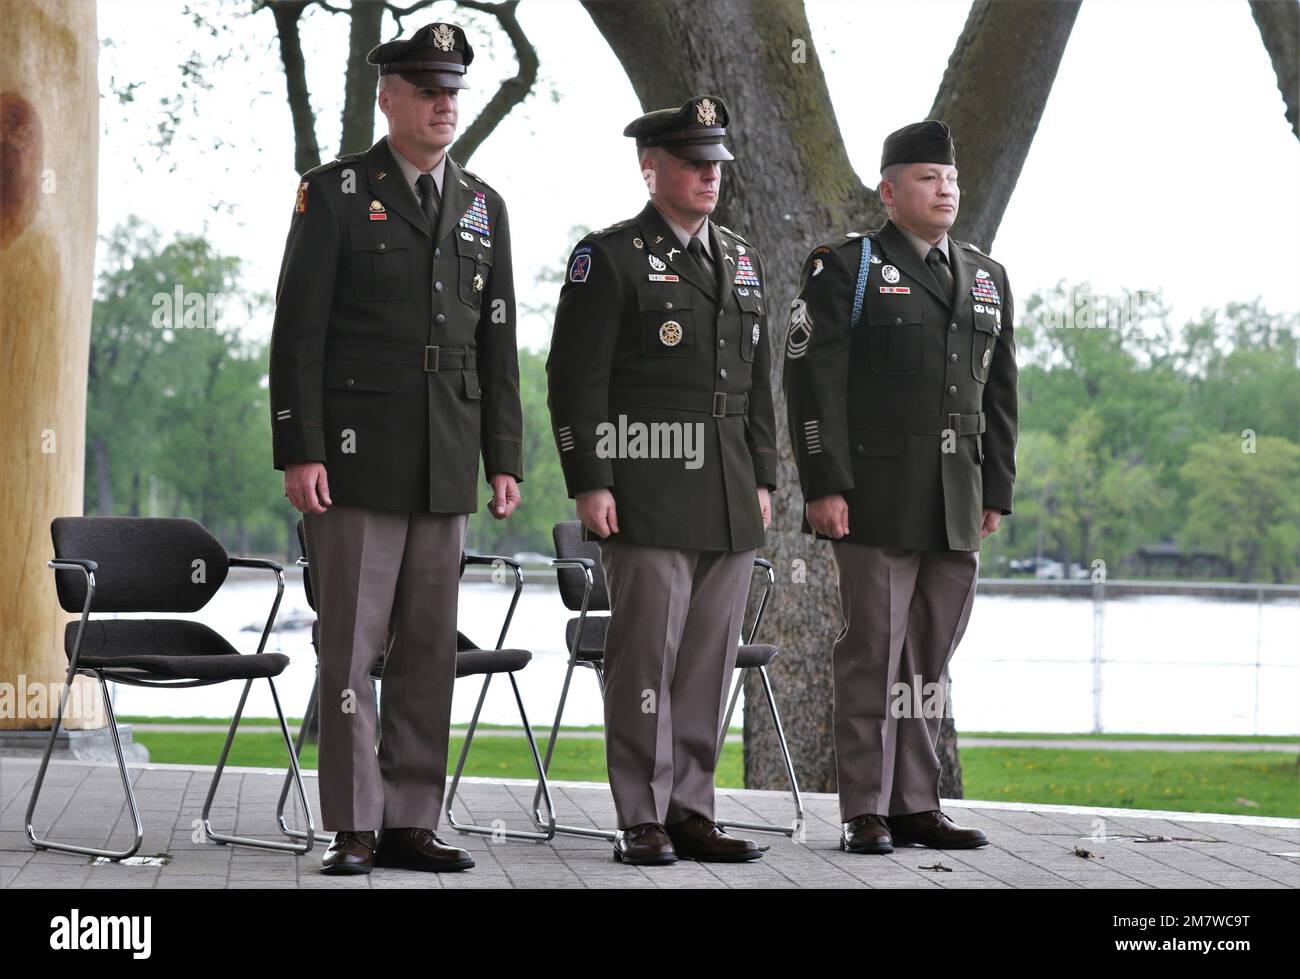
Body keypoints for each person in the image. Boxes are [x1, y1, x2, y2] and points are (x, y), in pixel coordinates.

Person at [268, 22, 523, 875]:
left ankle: (414, 819)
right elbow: (298, 333)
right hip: (354, 458)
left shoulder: (486, 205)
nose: (444, 103)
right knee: (349, 650)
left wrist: (504, 457)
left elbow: (497, 343)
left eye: (452, 90)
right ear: (389, 98)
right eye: (426, 89)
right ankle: (354, 823)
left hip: (445, 458)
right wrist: (300, 450)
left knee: (428, 650)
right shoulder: (334, 192)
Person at [545, 96, 777, 865]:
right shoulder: (607, 257)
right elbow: (575, 380)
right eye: (693, 163)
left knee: (709, 662)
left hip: (729, 489)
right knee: (645, 657)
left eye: (716, 165)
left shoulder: (739, 258)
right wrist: (590, 479)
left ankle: (691, 809)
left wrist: (765, 474)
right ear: (652, 170)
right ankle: (640, 814)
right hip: (643, 486)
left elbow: (759, 381)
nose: (710, 176)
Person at [783, 120, 1018, 854]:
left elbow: (1002, 390)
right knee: (873, 653)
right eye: (926, 178)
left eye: (950, 179)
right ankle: (864, 809)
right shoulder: (845, 267)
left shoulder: (986, 275)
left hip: (955, 496)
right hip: (871, 496)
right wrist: (824, 483)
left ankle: (917, 802)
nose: (944, 188)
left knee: (928, 659)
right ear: (889, 192)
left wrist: (996, 489)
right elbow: (809, 377)